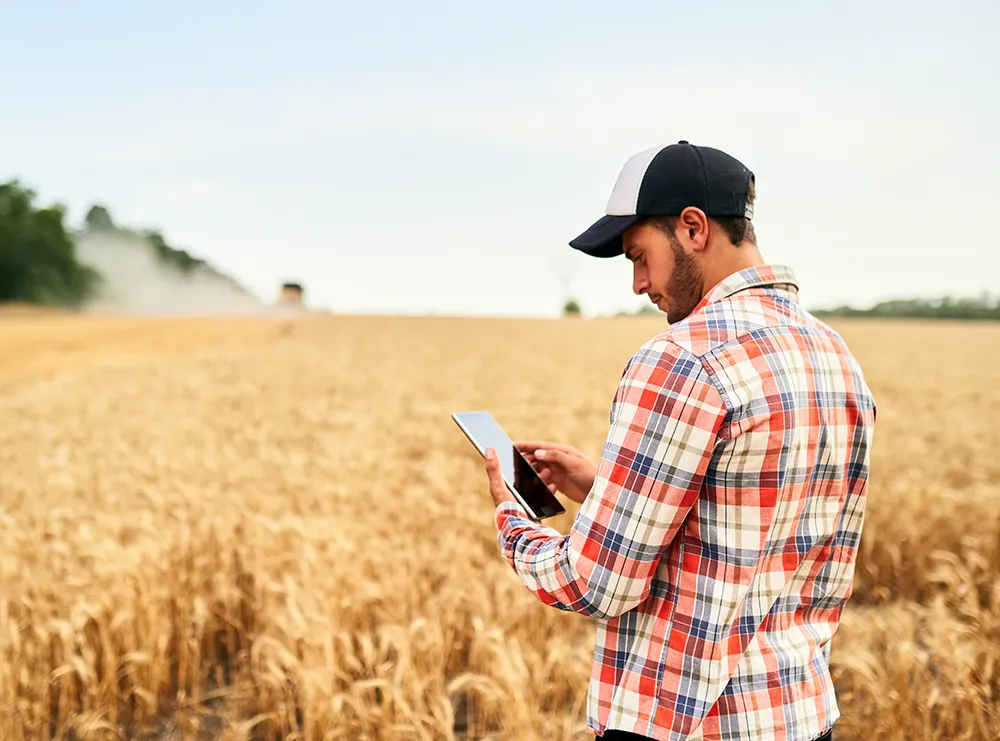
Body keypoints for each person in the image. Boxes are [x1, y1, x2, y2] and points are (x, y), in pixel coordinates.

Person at [481, 141, 876, 740]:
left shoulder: (683, 358)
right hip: (801, 716)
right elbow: (759, 530)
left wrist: (513, 520)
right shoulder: (836, 357)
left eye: (640, 256)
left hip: (689, 727)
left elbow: (595, 583)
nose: (639, 284)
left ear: (693, 227)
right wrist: (606, 491)